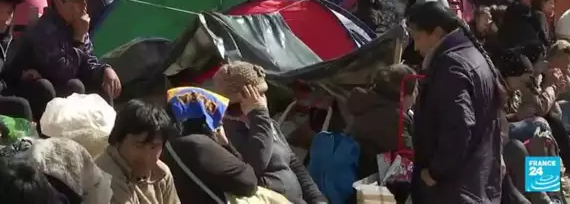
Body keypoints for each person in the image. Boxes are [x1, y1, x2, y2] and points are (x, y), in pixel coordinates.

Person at [405, 1, 503, 203]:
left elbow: (458, 126)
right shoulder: (470, 55)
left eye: (418, 38)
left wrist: (435, 171)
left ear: (437, 33)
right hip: (474, 180)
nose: (416, 47)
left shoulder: (451, 65)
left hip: (455, 188)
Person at [2, 0, 122, 121]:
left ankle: (110, 132)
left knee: (102, 83)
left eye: (85, 0)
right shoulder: (44, 29)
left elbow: (88, 63)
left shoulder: (78, 23)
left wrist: (104, 70)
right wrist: (78, 38)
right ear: (60, 3)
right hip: (46, 84)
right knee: (72, 85)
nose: (84, 6)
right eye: (77, 1)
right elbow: (63, 72)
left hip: (59, 81)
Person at [213, 61, 326, 204]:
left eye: (262, 94)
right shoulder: (225, 134)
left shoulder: (268, 123)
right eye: (257, 95)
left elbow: (293, 163)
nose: (262, 100)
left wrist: (317, 199)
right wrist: (258, 116)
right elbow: (255, 168)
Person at [161, 87, 261, 203]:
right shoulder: (198, 145)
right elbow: (248, 182)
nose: (220, 123)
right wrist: (225, 145)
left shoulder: (167, 148)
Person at [96, 99, 180, 204]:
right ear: (118, 140)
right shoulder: (106, 182)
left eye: (154, 147)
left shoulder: (161, 174)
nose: (146, 156)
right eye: (139, 145)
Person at [347, 64, 420, 179]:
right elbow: (409, 162)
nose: (415, 97)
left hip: (353, 174)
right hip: (369, 186)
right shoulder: (395, 119)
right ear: (404, 96)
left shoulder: (367, 103)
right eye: (414, 91)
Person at [0, 0, 33, 121]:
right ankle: (27, 140)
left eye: (12, 6)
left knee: (42, 87)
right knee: (21, 105)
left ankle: (47, 135)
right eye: (4, 5)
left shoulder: (12, 39)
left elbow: (11, 68)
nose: (10, 9)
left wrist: (24, 73)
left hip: (7, 88)